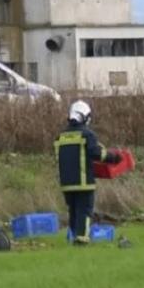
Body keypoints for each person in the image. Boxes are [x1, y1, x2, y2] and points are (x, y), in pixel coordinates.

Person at [54, 100, 121, 246]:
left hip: (66, 183)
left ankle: (73, 236)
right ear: (85, 116)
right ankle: (82, 238)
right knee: (84, 210)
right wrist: (113, 157)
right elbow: (96, 153)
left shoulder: (61, 136)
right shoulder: (87, 135)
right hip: (84, 182)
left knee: (73, 211)